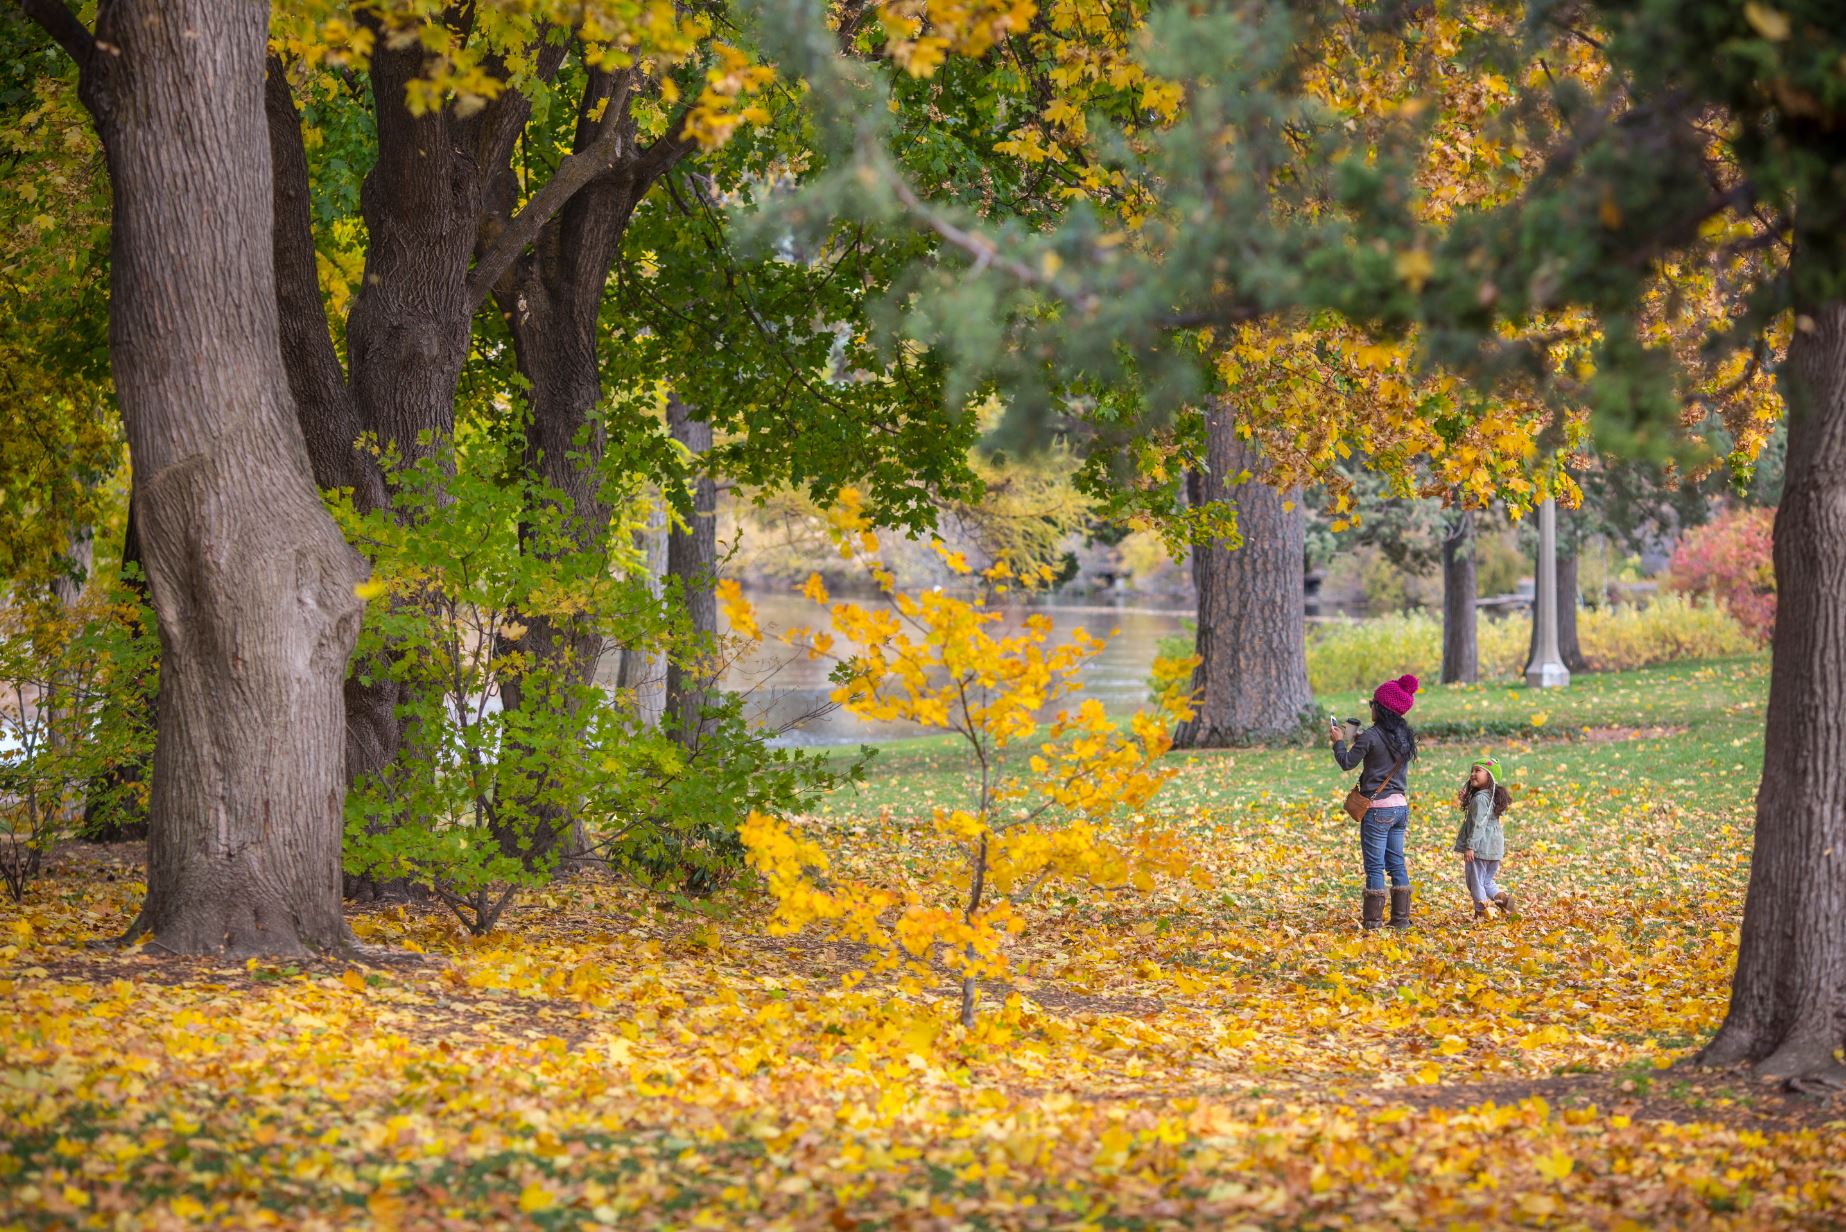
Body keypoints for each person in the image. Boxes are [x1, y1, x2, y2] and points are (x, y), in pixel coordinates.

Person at [1330, 674, 1420, 930]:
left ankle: (1372, 922)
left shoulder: (1371, 736)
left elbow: (1346, 762)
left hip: (1377, 810)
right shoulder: (1404, 736)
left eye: (1373, 702)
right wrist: (1360, 740)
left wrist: (1338, 742)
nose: (1370, 706)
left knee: (1375, 867)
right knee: (1397, 863)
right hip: (1400, 808)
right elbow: (1380, 750)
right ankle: (1401, 919)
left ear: (1380, 708)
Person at [1453, 756, 1513, 918]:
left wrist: (1470, 846)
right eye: (1472, 770)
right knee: (1486, 881)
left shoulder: (1480, 799)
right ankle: (1503, 900)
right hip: (1494, 846)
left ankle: (1481, 912)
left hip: (1480, 846)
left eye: (1478, 771)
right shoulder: (1494, 796)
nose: (1473, 774)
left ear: (1490, 777)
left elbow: (1478, 823)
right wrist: (1467, 799)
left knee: (1475, 882)